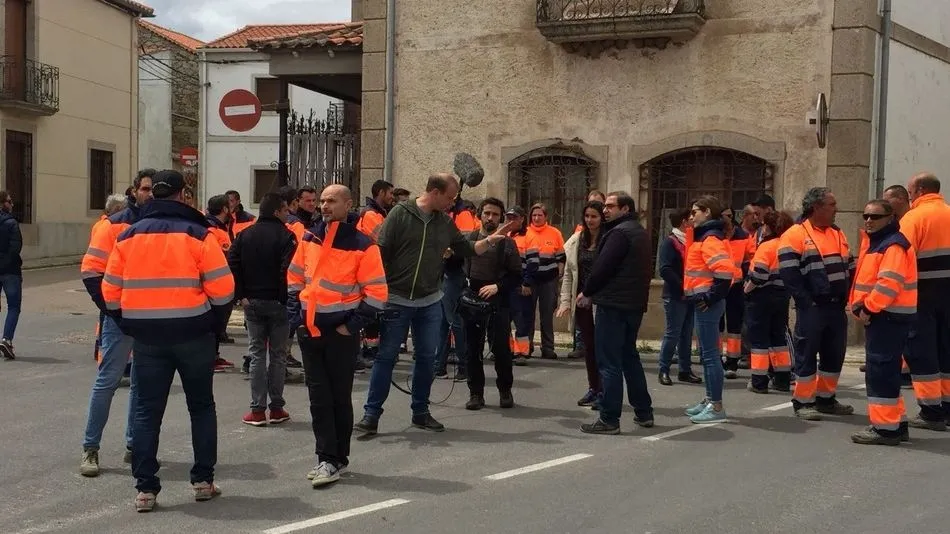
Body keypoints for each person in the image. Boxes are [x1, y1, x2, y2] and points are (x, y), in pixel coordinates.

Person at [101, 169, 234, 512]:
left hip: (147, 338)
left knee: (146, 412)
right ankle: (203, 481)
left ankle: (146, 490)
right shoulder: (199, 235)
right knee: (201, 407)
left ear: (152, 196)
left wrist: (128, 322)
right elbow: (223, 289)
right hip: (193, 333)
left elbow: (110, 292)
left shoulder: (128, 236)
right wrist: (213, 323)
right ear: (182, 195)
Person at [354, 173, 514, 436]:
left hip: (430, 301)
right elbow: (379, 254)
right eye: (450, 197)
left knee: (426, 358)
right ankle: (371, 415)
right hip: (397, 299)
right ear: (435, 192)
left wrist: (492, 238)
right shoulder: (399, 215)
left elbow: (467, 248)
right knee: (386, 358)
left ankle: (420, 412)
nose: (453, 203)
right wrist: (373, 293)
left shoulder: (443, 223)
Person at [288, 185, 387, 486]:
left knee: (338, 397)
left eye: (332, 201)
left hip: (340, 333)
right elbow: (294, 278)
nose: (324, 206)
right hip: (311, 331)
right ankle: (327, 458)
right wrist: (297, 317)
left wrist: (351, 326)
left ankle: (335, 458)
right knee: (319, 398)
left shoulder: (363, 244)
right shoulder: (309, 237)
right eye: (322, 201)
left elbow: (377, 293)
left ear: (348, 204)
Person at [78, 169, 154, 477]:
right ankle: (90, 448)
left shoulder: (160, 228)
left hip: (150, 319)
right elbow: (91, 271)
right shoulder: (112, 226)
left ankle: (134, 445)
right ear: (134, 191)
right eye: (145, 188)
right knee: (107, 382)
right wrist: (112, 310)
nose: (149, 194)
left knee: (141, 384)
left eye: (154, 189)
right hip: (119, 319)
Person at [577, 192, 654, 434]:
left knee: (608, 362)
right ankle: (644, 412)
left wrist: (587, 291)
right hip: (633, 305)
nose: (605, 210)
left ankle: (609, 418)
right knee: (629, 357)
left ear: (625, 208)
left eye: (610, 206)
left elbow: (603, 268)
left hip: (613, 305)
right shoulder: (639, 231)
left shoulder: (619, 233)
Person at [778, 187, 855, 421]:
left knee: (834, 354)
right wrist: (806, 302)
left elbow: (849, 265)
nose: (836, 209)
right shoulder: (795, 234)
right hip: (813, 306)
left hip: (835, 306)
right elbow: (790, 275)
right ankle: (803, 402)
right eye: (832, 205)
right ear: (816, 208)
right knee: (807, 353)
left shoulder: (837, 233)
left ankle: (825, 399)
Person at [849, 199, 917, 445]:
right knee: (886, 372)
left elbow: (889, 283)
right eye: (865, 215)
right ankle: (896, 424)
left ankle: (885, 429)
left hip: (886, 317)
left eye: (875, 217)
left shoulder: (893, 245)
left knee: (880, 373)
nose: (868, 220)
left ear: (890, 218)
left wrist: (868, 307)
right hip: (886, 316)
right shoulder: (880, 243)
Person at [229, 192, 297, 427]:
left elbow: (233, 264)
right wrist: (281, 297)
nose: (288, 214)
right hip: (277, 303)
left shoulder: (244, 235)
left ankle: (257, 410)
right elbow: (285, 270)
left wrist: (241, 295)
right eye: (286, 210)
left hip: (252, 302)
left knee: (257, 353)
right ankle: (277, 408)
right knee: (278, 355)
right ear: (277, 211)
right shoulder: (287, 237)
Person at [899, 173, 950, 429]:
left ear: (919, 190)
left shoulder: (914, 218)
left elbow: (902, 257)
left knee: (922, 351)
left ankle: (931, 411)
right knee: (947, 350)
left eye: (910, 192)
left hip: (922, 294)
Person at [682, 195, 738, 423]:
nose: (691, 216)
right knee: (707, 355)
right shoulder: (706, 237)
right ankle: (710, 399)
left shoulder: (710, 239)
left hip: (707, 304)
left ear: (707, 213)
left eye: (695, 211)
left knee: (710, 355)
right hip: (704, 302)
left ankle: (716, 406)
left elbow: (725, 272)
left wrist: (711, 297)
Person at [462, 197, 522, 410]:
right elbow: (455, 267)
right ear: (479, 214)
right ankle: (476, 394)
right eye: (487, 213)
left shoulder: (508, 244)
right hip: (472, 298)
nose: (490, 218)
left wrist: (498, 286)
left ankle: (505, 391)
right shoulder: (469, 239)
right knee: (473, 349)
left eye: (495, 214)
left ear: (501, 218)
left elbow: (517, 275)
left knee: (501, 349)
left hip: (498, 299)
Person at [558, 200, 607, 406]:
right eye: (587, 216)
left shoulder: (609, 239)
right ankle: (593, 388)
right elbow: (569, 273)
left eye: (594, 216)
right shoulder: (577, 240)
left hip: (603, 301)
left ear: (601, 218)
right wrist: (565, 301)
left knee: (604, 347)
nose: (590, 220)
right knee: (589, 348)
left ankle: (606, 392)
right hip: (582, 302)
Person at [744, 210, 795, 393]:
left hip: (761, 297)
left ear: (770, 226)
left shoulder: (767, 246)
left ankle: (759, 381)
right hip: (782, 295)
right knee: (778, 337)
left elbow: (759, 275)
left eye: (764, 224)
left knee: (759, 340)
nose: (762, 228)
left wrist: (746, 289)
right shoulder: (788, 245)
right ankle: (782, 379)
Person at [434, 191, 481, 381]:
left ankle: (463, 366)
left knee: (455, 322)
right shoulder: (442, 217)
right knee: (443, 323)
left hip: (453, 274)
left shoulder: (463, 215)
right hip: (441, 274)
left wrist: (449, 253)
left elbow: (464, 247)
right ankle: (439, 366)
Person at [656, 207, 701, 386]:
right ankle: (664, 369)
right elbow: (665, 269)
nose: (693, 220)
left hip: (690, 294)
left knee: (686, 334)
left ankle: (685, 370)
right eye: (691, 217)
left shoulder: (691, 241)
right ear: (684, 221)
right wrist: (683, 285)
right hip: (675, 294)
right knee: (673, 334)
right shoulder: (670, 242)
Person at [356, 180, 395, 367]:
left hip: (375, 266)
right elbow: (384, 240)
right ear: (381, 192)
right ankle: (370, 350)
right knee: (372, 310)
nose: (392, 197)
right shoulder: (371, 214)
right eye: (390, 193)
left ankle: (371, 349)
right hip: (370, 268)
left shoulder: (378, 213)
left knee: (376, 311)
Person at [522, 203, 566, 360]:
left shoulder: (555, 233)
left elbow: (561, 256)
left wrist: (559, 272)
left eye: (540, 215)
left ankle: (548, 348)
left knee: (547, 315)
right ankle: (526, 347)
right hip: (530, 280)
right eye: (534, 215)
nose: (536, 218)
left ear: (545, 217)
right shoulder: (525, 232)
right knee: (528, 315)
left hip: (549, 280)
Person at [720, 206, 755, 378]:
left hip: (736, 287)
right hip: (718, 285)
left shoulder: (743, 236)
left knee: (734, 326)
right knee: (717, 326)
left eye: (728, 215)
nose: (725, 219)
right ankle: (715, 359)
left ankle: (732, 362)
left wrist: (746, 273)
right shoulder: (715, 235)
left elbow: (751, 258)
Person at [205, 195, 236, 371]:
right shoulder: (216, 231)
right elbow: (226, 258)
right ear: (224, 209)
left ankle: (212, 356)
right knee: (216, 323)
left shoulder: (208, 226)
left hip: (209, 283)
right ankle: (212, 358)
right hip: (216, 285)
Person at [0, 191, 22, 361]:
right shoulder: (11, 223)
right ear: (3, 203)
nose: (12, 204)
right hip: (10, 271)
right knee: (13, 306)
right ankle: (6, 340)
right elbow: (15, 248)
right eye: (10, 201)